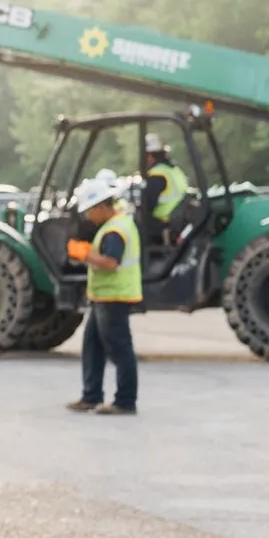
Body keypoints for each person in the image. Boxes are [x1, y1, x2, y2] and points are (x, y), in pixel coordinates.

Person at [64, 173, 141, 414]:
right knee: (93, 348)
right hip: (103, 297)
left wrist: (84, 254)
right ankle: (91, 396)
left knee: (119, 349)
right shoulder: (116, 224)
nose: (88, 216)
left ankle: (125, 401)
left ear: (100, 206)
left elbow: (110, 262)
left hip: (114, 297)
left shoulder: (114, 231)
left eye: (89, 210)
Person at [141, 133, 189, 251]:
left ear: (149, 156)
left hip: (164, 226)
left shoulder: (157, 175)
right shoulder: (175, 170)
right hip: (179, 221)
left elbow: (147, 205)